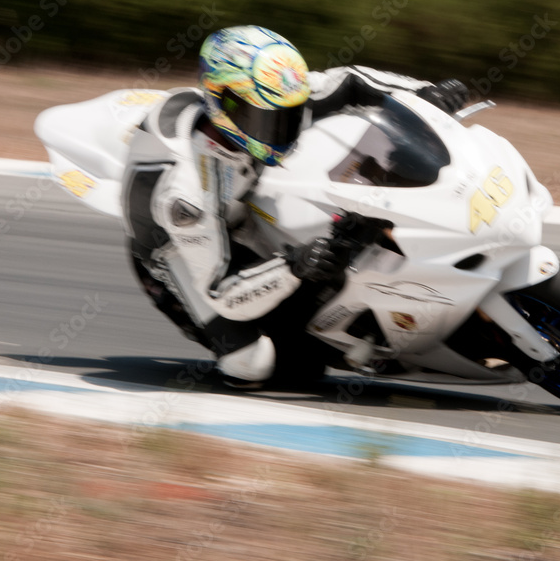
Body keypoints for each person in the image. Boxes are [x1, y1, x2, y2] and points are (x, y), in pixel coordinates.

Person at [122, 25, 469, 387]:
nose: (280, 129)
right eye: (266, 118)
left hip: (241, 204)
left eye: (288, 114)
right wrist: (295, 266)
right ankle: (219, 333)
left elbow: (348, 80)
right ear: (223, 103)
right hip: (178, 251)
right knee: (264, 366)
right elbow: (221, 291)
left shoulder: (271, 94)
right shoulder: (187, 196)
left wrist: (421, 93)